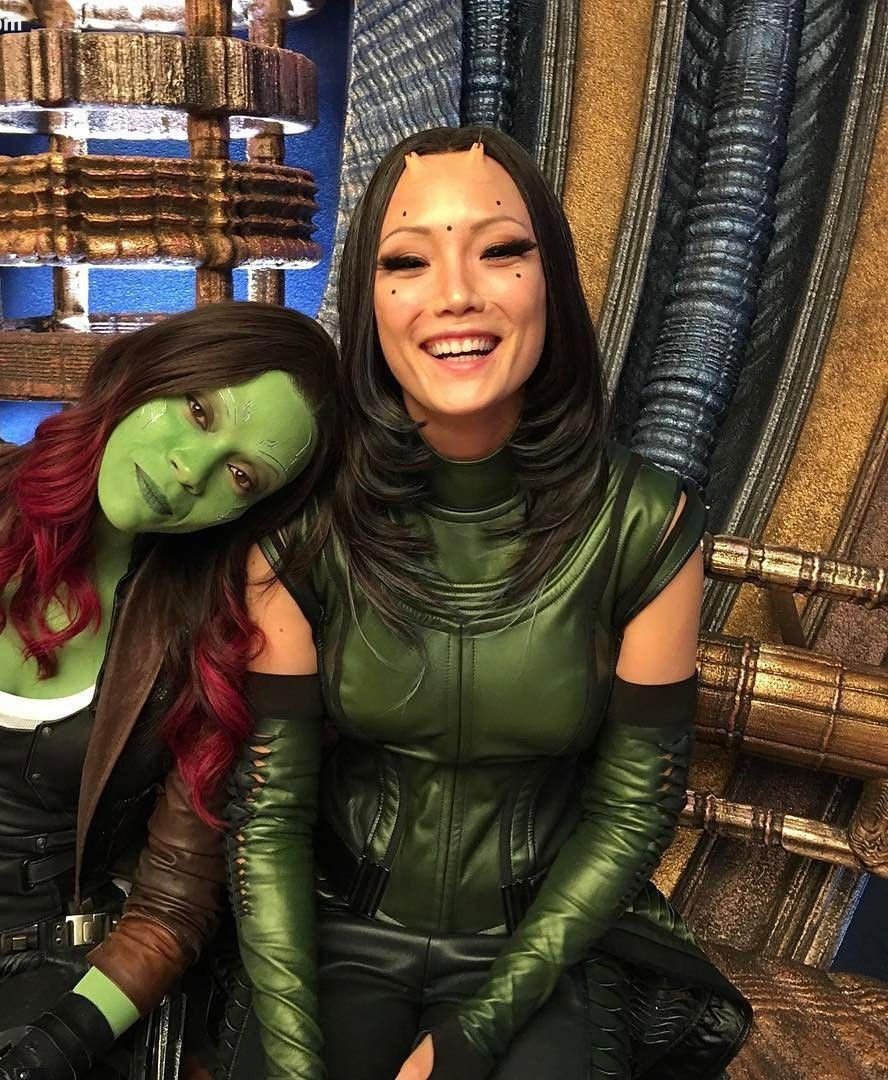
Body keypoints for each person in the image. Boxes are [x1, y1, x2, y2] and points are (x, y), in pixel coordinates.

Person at [223, 129, 752, 1080]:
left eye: (500, 249)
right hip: (337, 934)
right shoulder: (304, 522)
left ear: (552, 281)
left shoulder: (648, 522)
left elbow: (635, 809)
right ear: (366, 298)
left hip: (542, 947)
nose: (456, 293)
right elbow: (270, 813)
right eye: (407, 261)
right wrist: (293, 1055)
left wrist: (476, 1034)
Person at [0, 301, 340, 1080]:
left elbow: (170, 909)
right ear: (145, 374)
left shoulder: (207, 638)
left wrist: (57, 1047)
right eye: (197, 410)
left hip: (60, 961)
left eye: (239, 474)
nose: (190, 470)